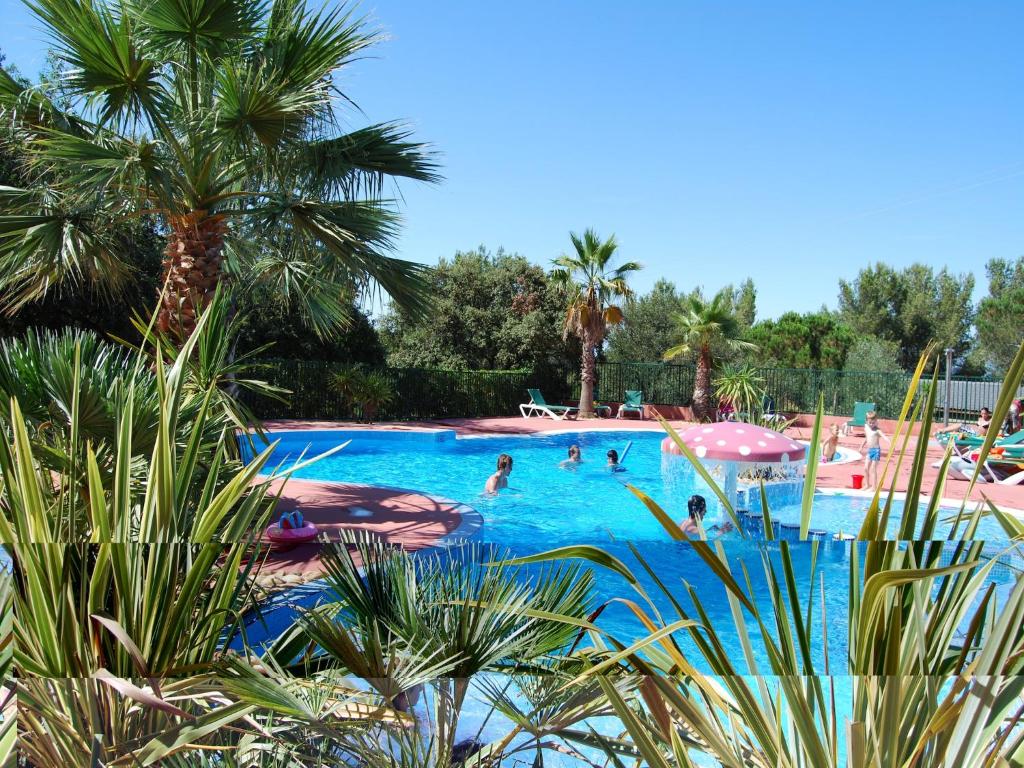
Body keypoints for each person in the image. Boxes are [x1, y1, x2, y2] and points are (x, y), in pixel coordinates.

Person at [859, 411, 888, 487]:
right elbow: (866, 438)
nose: (872, 424)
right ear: (866, 421)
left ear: (876, 421)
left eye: (873, 423)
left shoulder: (877, 430)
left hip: (876, 451)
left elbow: (884, 437)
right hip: (870, 451)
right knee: (865, 468)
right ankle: (867, 485)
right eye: (870, 423)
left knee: (873, 469)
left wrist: (891, 444)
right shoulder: (866, 428)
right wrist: (861, 446)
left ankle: (874, 487)